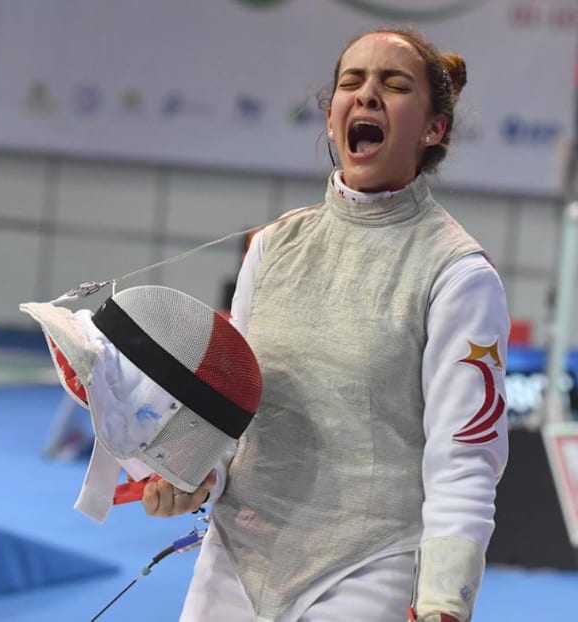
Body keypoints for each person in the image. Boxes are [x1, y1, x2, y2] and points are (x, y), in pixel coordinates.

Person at [141, 26, 510, 622]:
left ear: (433, 129)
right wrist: (191, 475)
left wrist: (445, 601)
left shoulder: (458, 273)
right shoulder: (273, 246)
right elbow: (232, 405)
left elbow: (465, 458)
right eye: (351, 82)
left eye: (393, 85)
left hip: (369, 568)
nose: (366, 95)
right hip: (237, 555)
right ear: (332, 112)